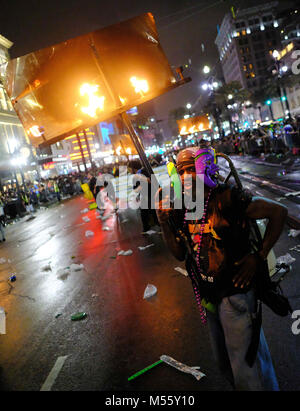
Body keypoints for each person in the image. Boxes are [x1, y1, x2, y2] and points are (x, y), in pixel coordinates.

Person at [156, 146, 287, 391]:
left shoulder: (228, 197)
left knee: (247, 368)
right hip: (210, 297)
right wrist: (164, 224)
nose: (184, 178)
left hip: (236, 294)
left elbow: (278, 211)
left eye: (189, 170)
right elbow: (179, 253)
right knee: (225, 363)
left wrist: (258, 257)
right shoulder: (183, 208)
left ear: (204, 169)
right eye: (180, 172)